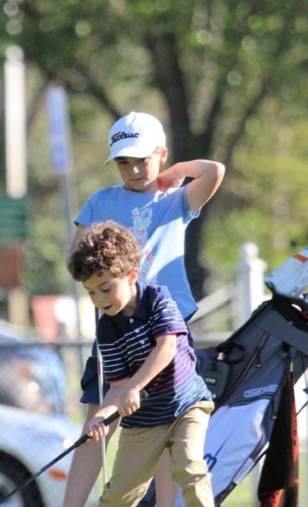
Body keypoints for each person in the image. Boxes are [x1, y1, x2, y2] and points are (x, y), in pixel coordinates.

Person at [64, 111, 225, 507]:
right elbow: (77, 259)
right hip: (116, 330)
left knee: (169, 430)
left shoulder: (175, 200)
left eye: (143, 158)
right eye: (123, 161)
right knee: (99, 421)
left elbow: (214, 171)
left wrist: (174, 173)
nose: (134, 169)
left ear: (160, 154)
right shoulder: (101, 201)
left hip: (167, 330)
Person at [68, 221, 214, 507]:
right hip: (143, 423)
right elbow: (117, 386)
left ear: (132, 274)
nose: (99, 299)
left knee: (190, 468)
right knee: (118, 498)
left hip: (187, 406)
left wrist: (135, 387)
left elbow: (167, 347)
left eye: (106, 288)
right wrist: (102, 416)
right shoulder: (107, 329)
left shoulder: (158, 298)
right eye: (91, 292)